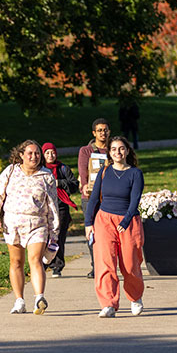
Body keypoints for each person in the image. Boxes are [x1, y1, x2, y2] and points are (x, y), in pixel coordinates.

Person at [0, 140, 59, 315]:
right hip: (13, 223)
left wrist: (54, 229)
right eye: (30, 153)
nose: (34, 157)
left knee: (35, 259)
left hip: (37, 224)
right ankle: (19, 300)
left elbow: (52, 205)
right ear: (21, 155)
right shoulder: (11, 172)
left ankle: (39, 298)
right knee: (16, 262)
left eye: (37, 154)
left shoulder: (46, 176)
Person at [84, 135, 145, 318]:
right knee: (105, 263)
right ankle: (108, 304)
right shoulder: (105, 172)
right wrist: (88, 223)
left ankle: (135, 298)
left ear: (127, 151)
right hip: (104, 220)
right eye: (113, 149)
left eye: (121, 148)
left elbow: (135, 201)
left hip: (128, 222)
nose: (117, 152)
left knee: (129, 264)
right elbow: (93, 199)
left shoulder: (135, 173)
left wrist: (125, 222)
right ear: (109, 152)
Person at [78, 117, 111, 278]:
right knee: (92, 231)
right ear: (94, 133)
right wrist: (84, 185)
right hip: (90, 196)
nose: (103, 133)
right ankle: (96, 265)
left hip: (110, 197)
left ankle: (109, 265)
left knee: (108, 233)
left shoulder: (114, 149)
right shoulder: (86, 151)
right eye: (99, 130)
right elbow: (83, 171)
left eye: (105, 130)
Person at [41, 142, 79, 278]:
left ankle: (57, 265)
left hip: (61, 206)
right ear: (42, 155)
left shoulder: (63, 168)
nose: (50, 155)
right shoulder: (40, 169)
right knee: (43, 237)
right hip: (44, 207)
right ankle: (43, 264)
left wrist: (59, 183)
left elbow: (75, 185)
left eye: (52, 152)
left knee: (59, 237)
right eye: (47, 153)